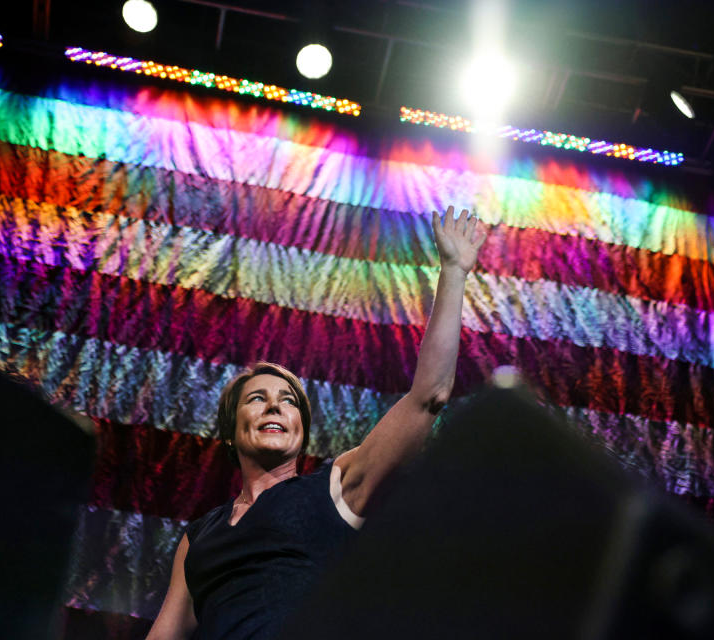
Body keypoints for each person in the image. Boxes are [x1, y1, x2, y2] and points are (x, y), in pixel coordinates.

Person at [146, 206, 487, 640]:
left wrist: (454, 272)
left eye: (288, 402)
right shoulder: (198, 539)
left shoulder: (334, 488)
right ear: (231, 429)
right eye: (257, 399)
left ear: (301, 429)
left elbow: (428, 397)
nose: (275, 407)